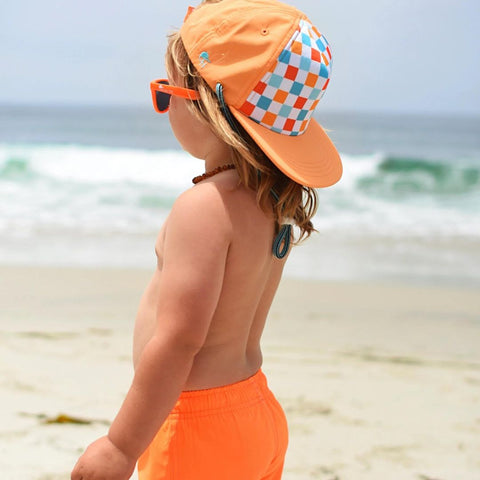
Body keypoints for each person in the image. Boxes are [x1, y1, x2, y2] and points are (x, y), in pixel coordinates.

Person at [70, 0, 342, 478]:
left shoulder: (203, 208)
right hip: (256, 411)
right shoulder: (272, 201)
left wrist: (120, 445)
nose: (162, 107)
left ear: (205, 105)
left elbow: (179, 340)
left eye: (164, 92)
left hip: (197, 424)